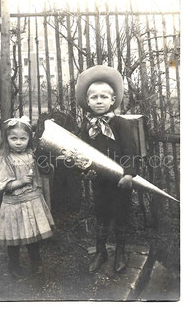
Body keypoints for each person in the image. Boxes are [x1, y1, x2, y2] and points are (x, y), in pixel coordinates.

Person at [76, 65, 136, 274]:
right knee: (101, 214)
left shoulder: (120, 124)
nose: (99, 101)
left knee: (121, 215)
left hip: (121, 181)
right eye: (94, 97)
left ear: (113, 100)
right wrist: (85, 171)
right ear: (88, 101)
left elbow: (130, 150)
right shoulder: (87, 126)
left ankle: (120, 251)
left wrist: (128, 174)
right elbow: (81, 153)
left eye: (104, 97)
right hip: (100, 180)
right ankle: (101, 251)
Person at [0, 116, 54, 278]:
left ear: (29, 139)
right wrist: (19, 182)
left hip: (32, 201)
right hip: (14, 204)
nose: (18, 142)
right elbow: (2, 184)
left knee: (32, 236)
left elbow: (45, 172)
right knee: (14, 236)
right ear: (6, 139)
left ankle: (36, 261)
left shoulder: (32, 156)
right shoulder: (4, 160)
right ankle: (13, 264)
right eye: (14, 138)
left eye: (23, 138)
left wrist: (45, 165)